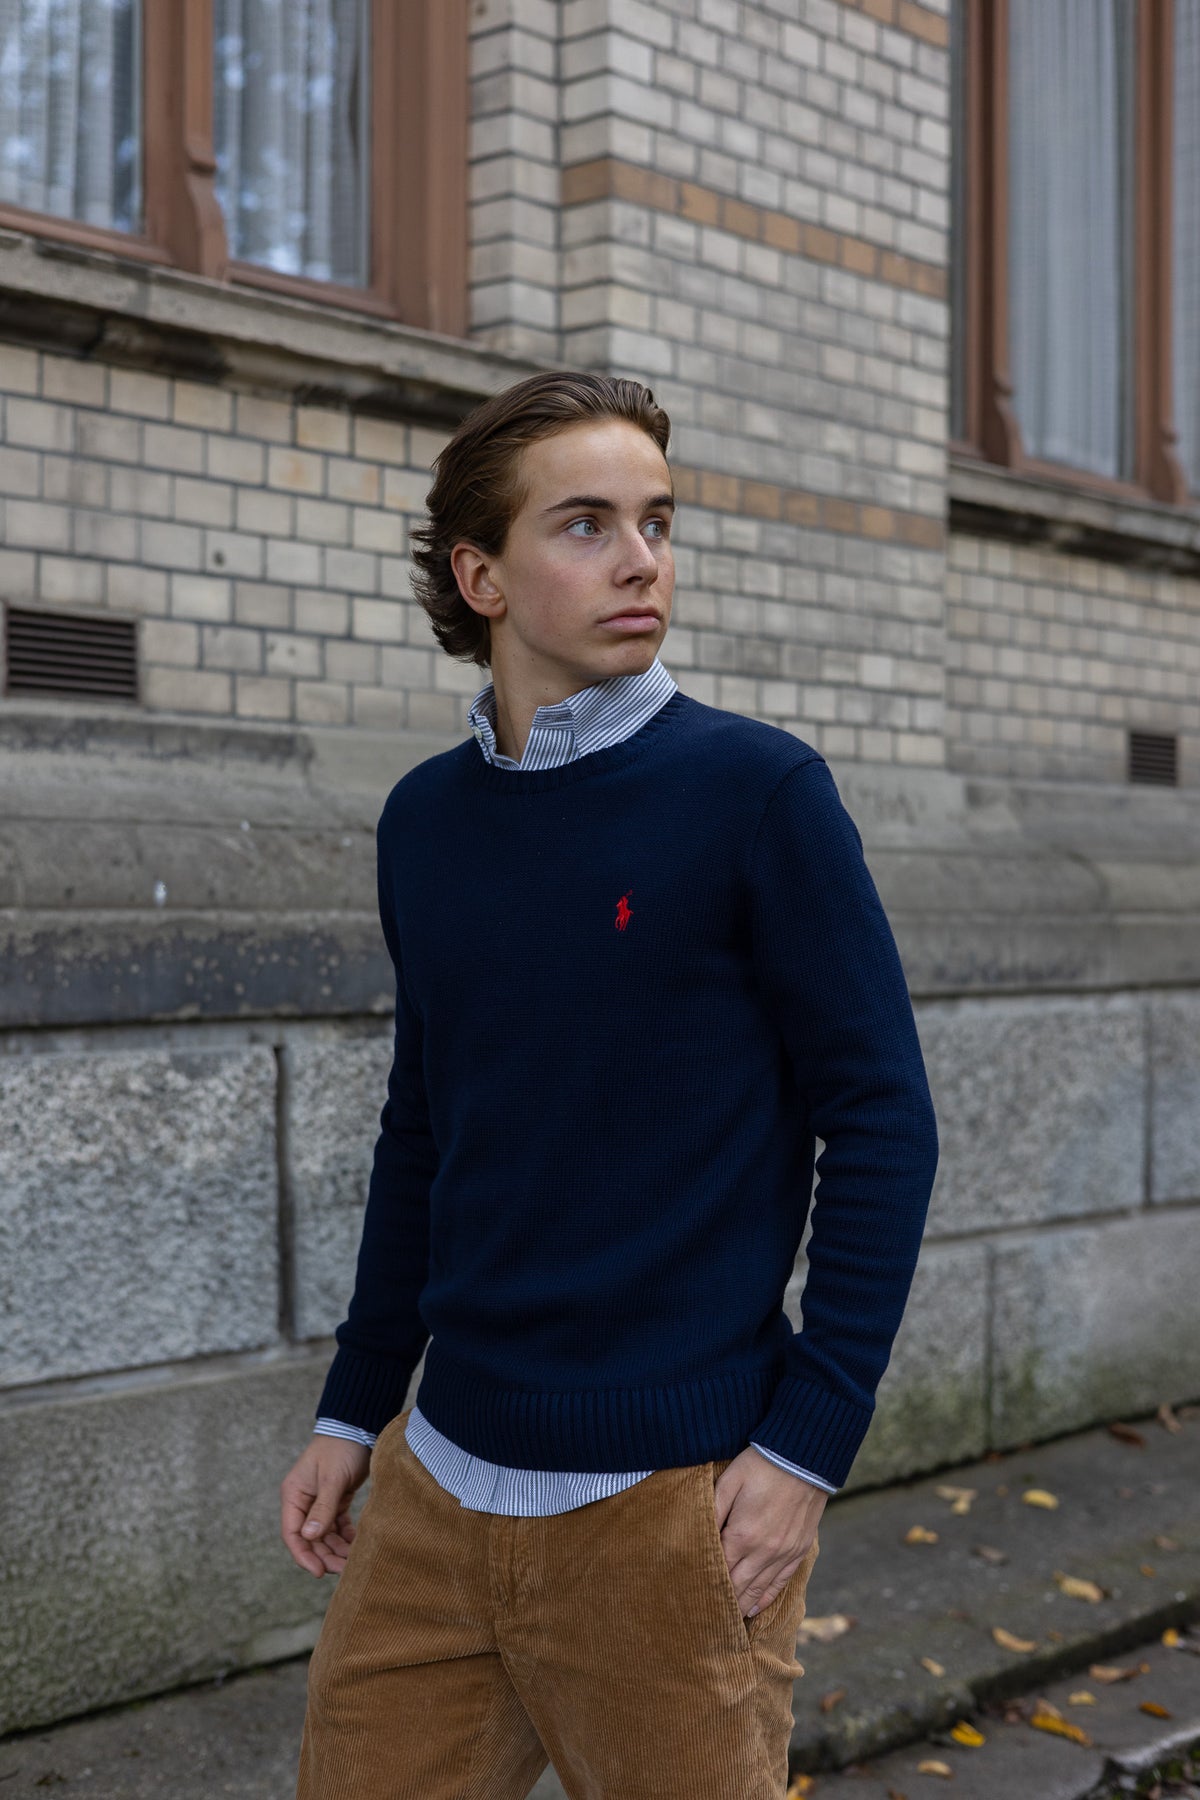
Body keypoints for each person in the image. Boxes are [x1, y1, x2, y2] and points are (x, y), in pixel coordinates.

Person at [280, 370, 940, 1800]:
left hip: (671, 1511)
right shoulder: (423, 822)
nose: (643, 559)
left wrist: (806, 1449)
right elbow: (426, 1127)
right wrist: (353, 1407)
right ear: (483, 578)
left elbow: (882, 1117)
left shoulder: (758, 794)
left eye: (658, 520)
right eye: (586, 524)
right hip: (437, 1492)